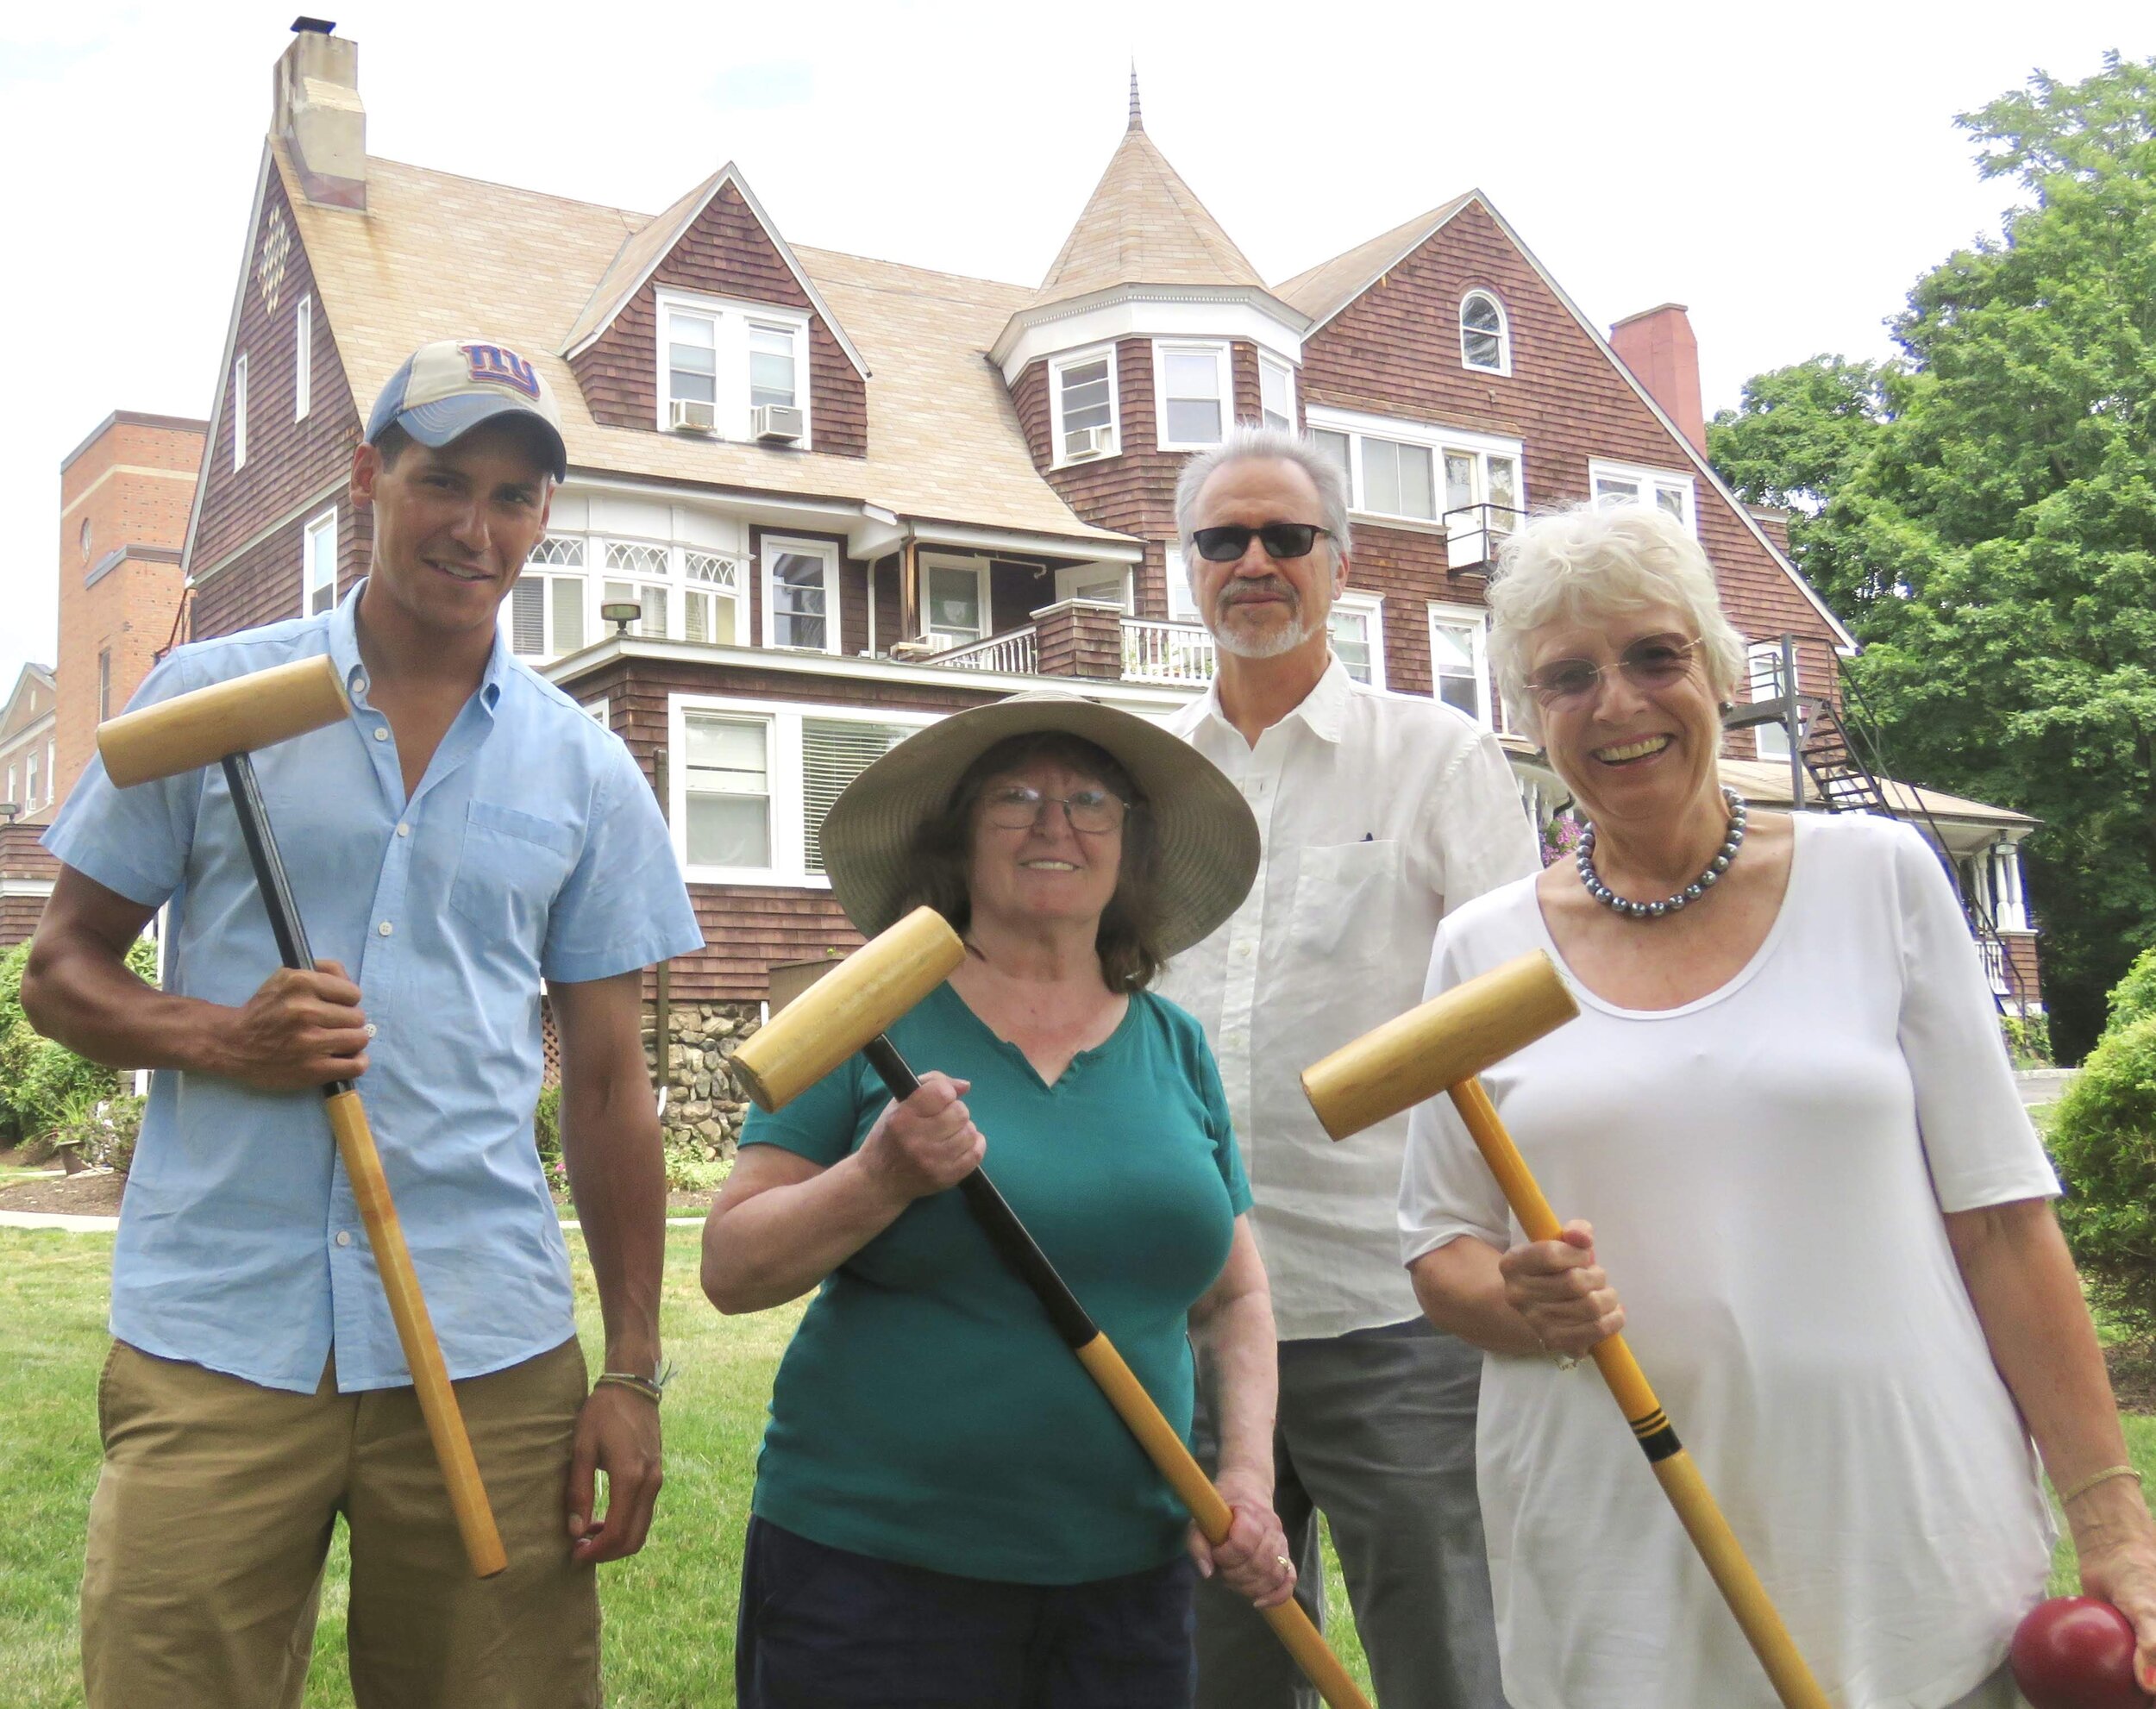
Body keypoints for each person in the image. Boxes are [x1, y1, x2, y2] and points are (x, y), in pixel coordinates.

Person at [25, 340, 704, 1709]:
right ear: (366, 479)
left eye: (515, 496)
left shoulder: (584, 770)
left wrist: (630, 1370)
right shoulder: (214, 704)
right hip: (217, 1334)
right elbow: (59, 968)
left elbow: (614, 1085)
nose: (476, 523)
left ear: (543, 521)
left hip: (487, 1342)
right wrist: (223, 1038)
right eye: (443, 479)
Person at [1399, 502, 2156, 1709]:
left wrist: (2111, 1515)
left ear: (1721, 669)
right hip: (1618, 1557)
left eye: (1656, 655)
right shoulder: (1482, 950)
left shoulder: (1879, 879)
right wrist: (1518, 1296)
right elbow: (1441, 1255)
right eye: (1568, 676)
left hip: (1905, 1542)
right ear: (1530, 715)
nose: (1619, 703)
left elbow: (2005, 1224)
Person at [702, 692, 1296, 1708]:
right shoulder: (864, 1021)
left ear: (1130, 848)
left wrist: (1244, 1474)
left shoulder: (1173, 1045)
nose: (1055, 822)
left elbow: (1234, 1298)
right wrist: (878, 1175)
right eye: (1014, 797)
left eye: (1090, 801)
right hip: (876, 1571)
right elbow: (732, 1265)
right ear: (958, 840)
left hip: (1128, 1576)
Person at [1158, 423, 1539, 1708]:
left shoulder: (1436, 755)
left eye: (1286, 536)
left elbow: (1518, 1021)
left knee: (1448, 1662)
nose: (1253, 561)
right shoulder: (1146, 784)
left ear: (1342, 559)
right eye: (1223, 538)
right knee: (1228, 1674)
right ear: (1185, 565)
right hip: (1201, 1312)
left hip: (1394, 1312)